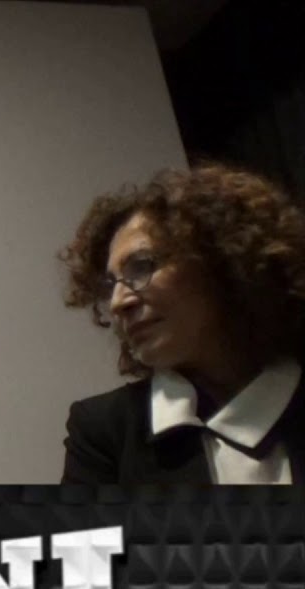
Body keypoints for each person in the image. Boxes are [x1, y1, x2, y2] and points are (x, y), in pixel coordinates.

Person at [59, 164, 305, 484]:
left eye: (142, 266)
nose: (118, 303)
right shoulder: (104, 431)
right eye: (109, 285)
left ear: (222, 261)